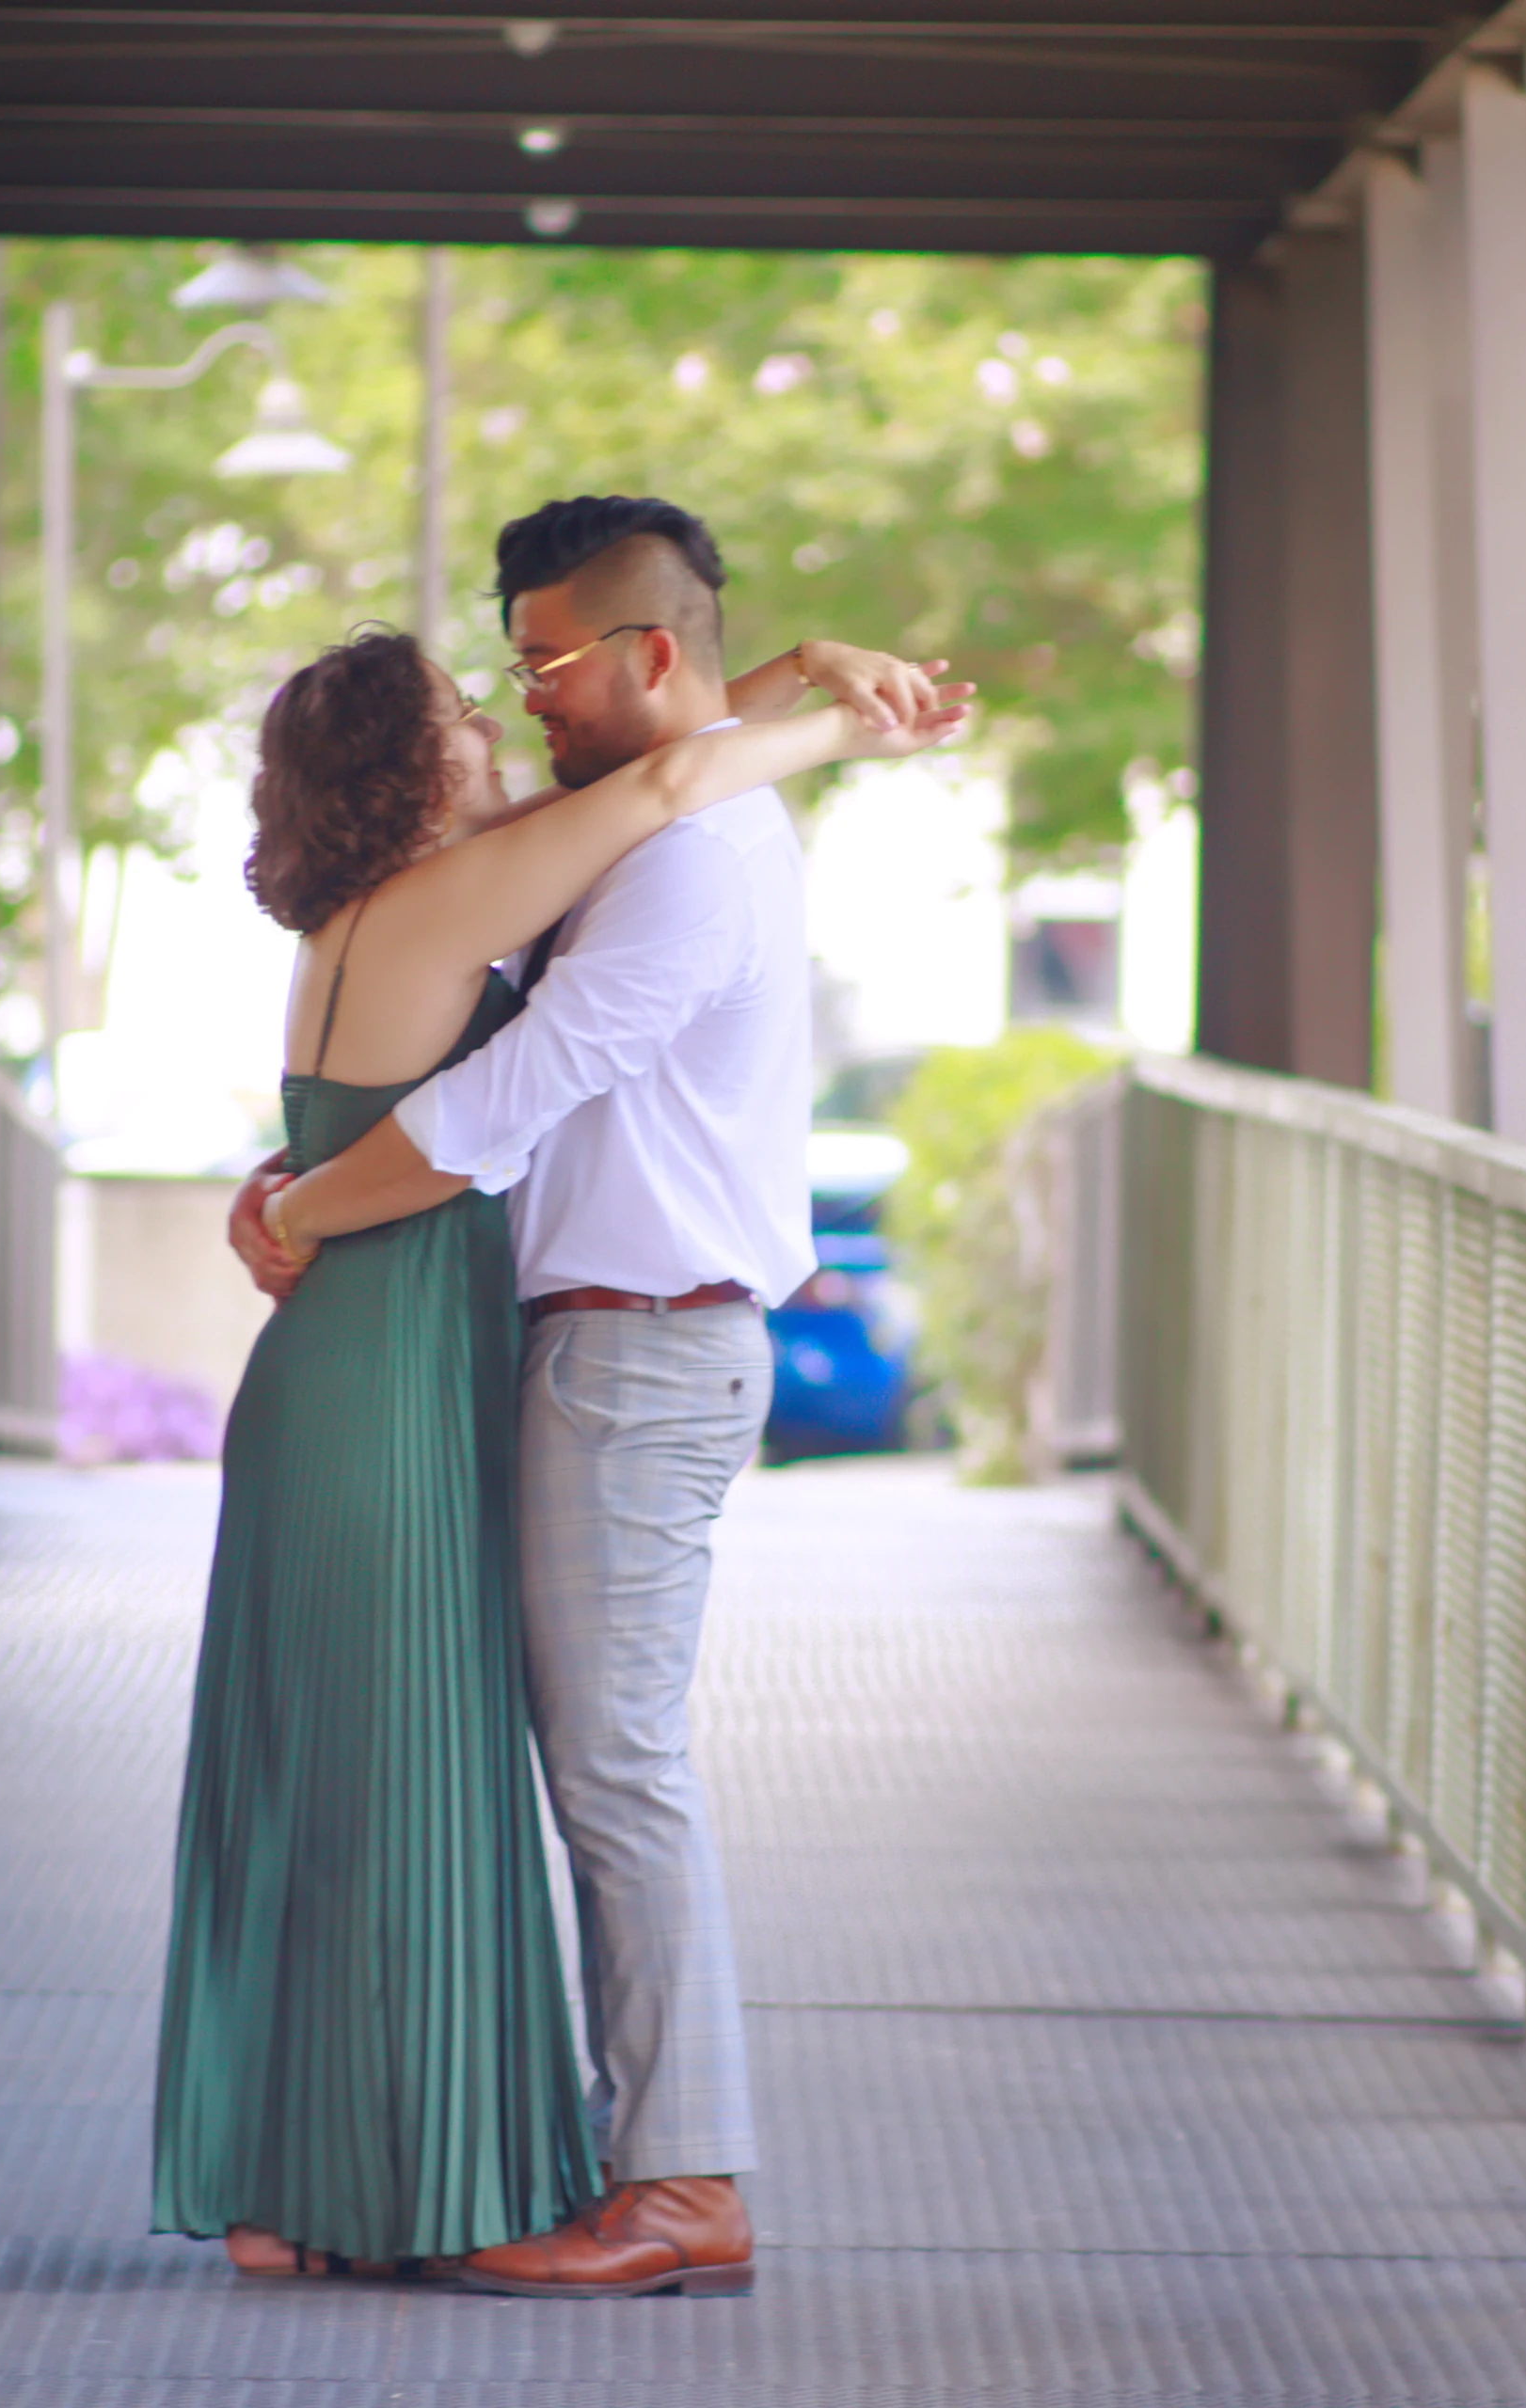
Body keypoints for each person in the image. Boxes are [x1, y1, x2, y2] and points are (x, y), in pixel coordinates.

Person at [162, 593, 966, 2283]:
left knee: (333, 1776)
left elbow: (642, 770)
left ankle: (293, 2189)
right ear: (412, 765)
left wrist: (802, 670)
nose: (496, 730)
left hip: (335, 1368)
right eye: (465, 710)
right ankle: (409, 2184)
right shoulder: (455, 898)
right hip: (386, 1373)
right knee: (409, 1777)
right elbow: (665, 794)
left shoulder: (369, 910)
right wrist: (861, 723)